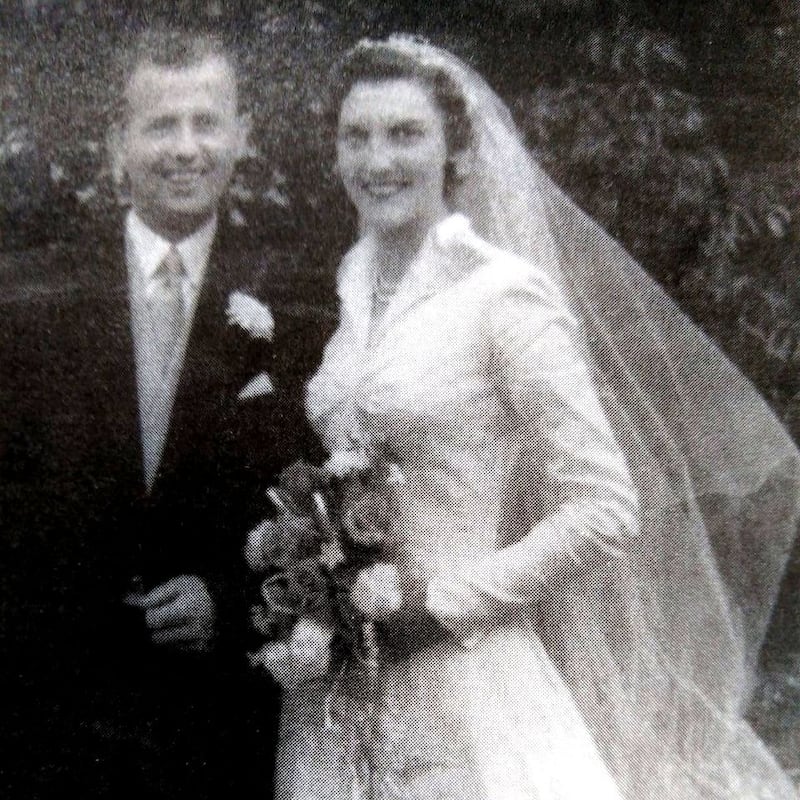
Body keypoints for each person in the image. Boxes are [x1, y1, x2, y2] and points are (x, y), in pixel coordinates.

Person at [263, 36, 800, 800]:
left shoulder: (503, 294)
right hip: (343, 675)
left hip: (466, 672)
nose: (377, 160)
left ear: (456, 150)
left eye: (405, 133)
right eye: (357, 136)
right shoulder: (352, 287)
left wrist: (446, 604)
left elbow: (605, 506)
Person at [0, 28, 330, 799]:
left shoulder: (303, 298)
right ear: (118, 143)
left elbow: (325, 500)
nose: (186, 148)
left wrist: (231, 596)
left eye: (206, 122)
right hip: (54, 715)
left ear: (243, 135)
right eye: (161, 124)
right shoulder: (30, 296)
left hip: (224, 716)